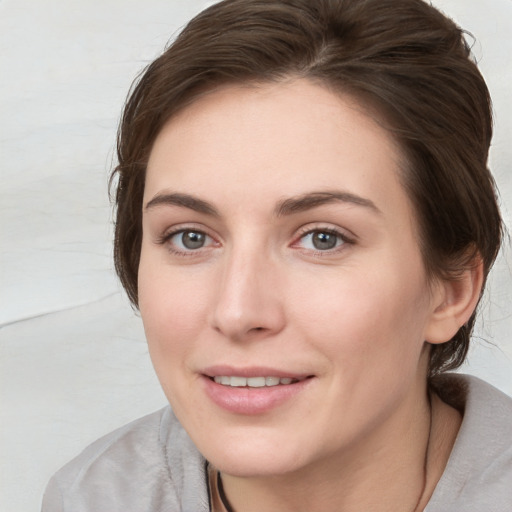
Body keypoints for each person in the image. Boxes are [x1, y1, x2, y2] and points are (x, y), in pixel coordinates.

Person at [41, 0, 512, 510]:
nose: (238, 312)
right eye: (190, 237)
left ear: (452, 289)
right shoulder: (92, 497)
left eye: (322, 238)